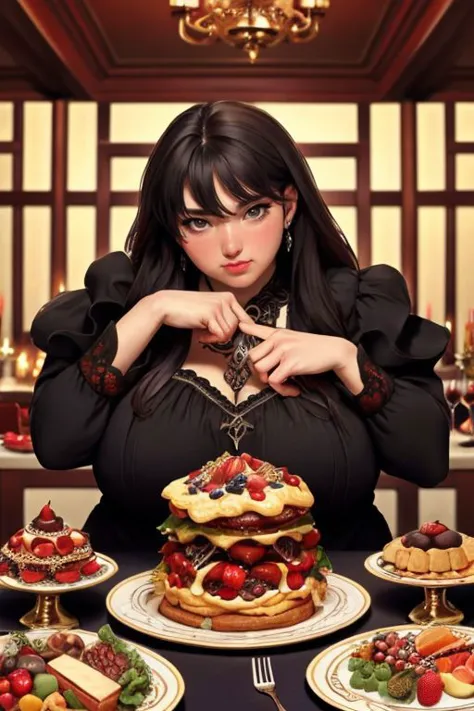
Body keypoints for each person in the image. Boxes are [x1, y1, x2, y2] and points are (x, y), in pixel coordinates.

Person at [30, 101, 450, 554]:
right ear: (173, 227)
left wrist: (348, 360)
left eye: (253, 211)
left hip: (337, 604)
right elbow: (56, 448)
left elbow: (427, 461)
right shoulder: (122, 306)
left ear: (288, 205)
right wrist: (151, 311)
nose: (231, 245)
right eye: (199, 221)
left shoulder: (355, 307)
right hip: (140, 606)